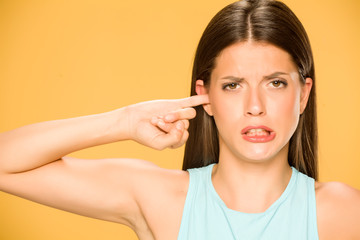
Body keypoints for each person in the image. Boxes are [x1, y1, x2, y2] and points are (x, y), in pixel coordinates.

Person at [0, 0, 359, 239]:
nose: (255, 106)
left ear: (303, 95)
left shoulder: (342, 212)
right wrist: (126, 120)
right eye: (233, 85)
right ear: (206, 96)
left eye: (276, 83)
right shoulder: (158, 197)